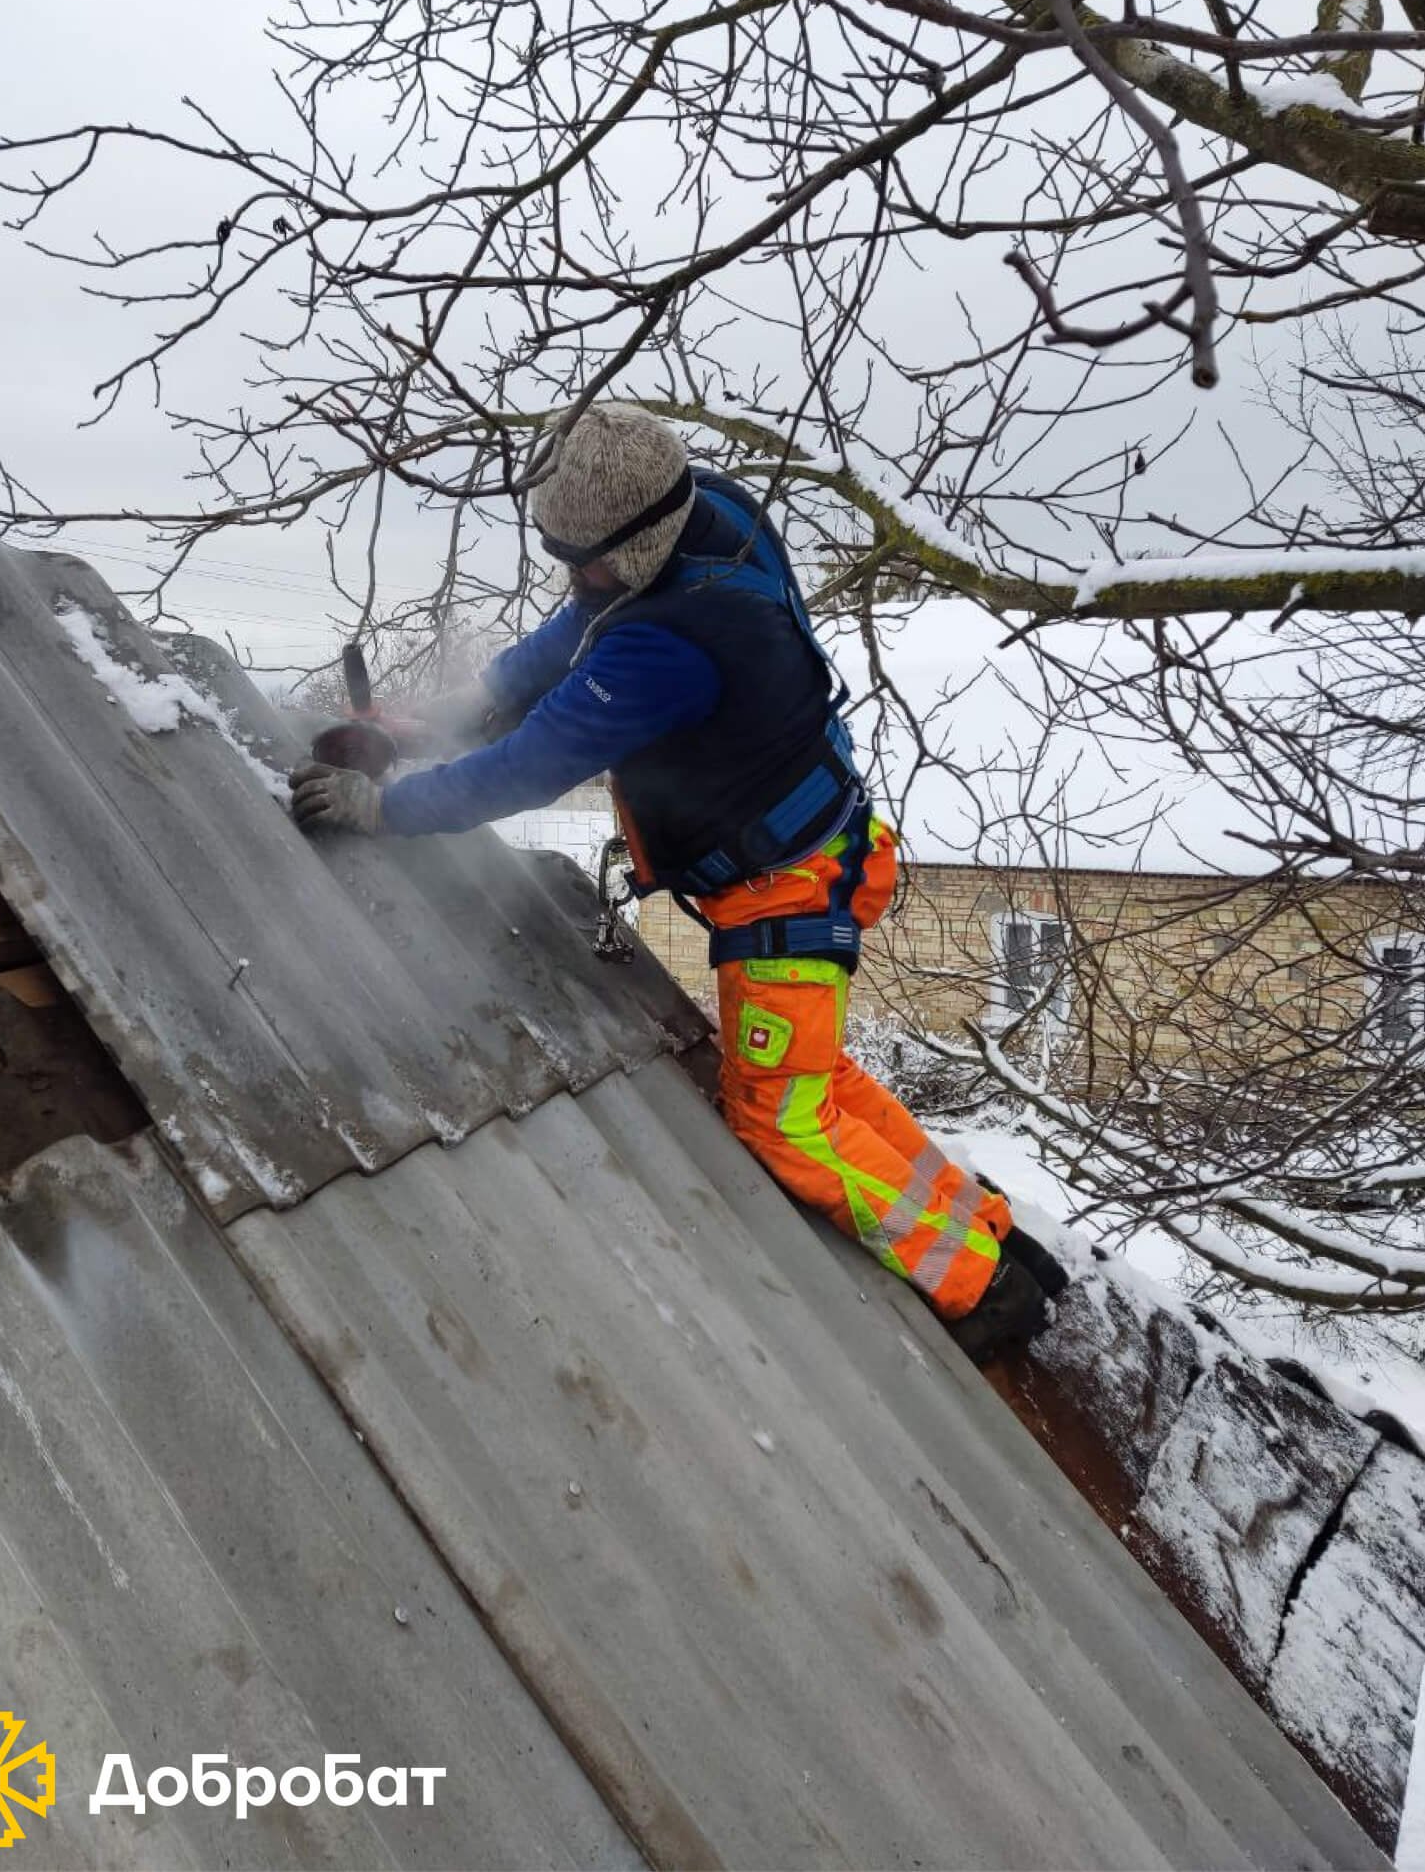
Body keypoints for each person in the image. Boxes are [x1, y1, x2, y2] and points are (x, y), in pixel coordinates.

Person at [291, 403, 1064, 1359]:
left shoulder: (673, 646)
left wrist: (388, 808)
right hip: (825, 843)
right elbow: (567, 636)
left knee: (779, 1118)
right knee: (813, 1078)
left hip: (787, 892)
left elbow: (530, 765)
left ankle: (982, 1285)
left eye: (584, 557)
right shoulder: (708, 514)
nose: (571, 576)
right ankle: (987, 1228)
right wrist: (448, 716)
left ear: (641, 539)